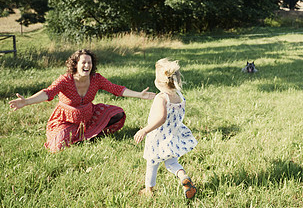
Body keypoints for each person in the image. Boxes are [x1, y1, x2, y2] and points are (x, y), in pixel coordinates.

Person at [9, 49, 155, 152]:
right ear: (76, 64)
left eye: (89, 62)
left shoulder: (96, 79)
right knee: (56, 147)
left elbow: (116, 89)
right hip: (66, 120)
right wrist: (27, 101)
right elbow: (48, 93)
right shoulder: (66, 79)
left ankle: (88, 134)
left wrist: (139, 95)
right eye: (83, 62)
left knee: (118, 114)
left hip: (88, 116)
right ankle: (84, 136)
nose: (87, 65)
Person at [134, 58, 198, 199]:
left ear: (158, 81)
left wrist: (144, 130)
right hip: (173, 135)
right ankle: (183, 177)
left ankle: (148, 190)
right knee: (172, 162)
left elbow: (161, 118)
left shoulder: (161, 98)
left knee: (152, 163)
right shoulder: (179, 96)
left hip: (157, 137)